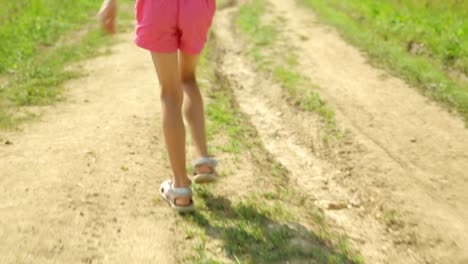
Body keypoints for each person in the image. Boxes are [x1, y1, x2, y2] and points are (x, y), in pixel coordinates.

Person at [98, 0, 219, 213]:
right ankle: (203, 161)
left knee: (170, 94)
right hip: (197, 7)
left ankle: (180, 188)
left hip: (159, 7)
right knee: (188, 78)